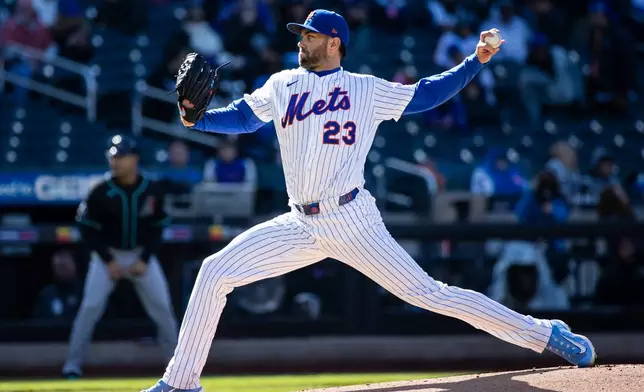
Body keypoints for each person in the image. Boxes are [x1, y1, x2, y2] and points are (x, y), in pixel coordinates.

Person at [144, 10, 596, 392]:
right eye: (300, 34)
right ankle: (181, 382)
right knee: (214, 271)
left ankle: (545, 333)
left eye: (310, 34)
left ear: (335, 42)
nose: (301, 39)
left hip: (352, 219)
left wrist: (474, 61)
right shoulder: (282, 84)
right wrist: (197, 121)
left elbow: (427, 94)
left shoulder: (364, 88)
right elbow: (242, 119)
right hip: (299, 222)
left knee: (429, 294)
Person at [62, 134, 178, 379]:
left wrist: (144, 259)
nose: (116, 162)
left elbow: (158, 229)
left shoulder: (151, 189)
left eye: (122, 157)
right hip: (108, 257)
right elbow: (87, 231)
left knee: (163, 309)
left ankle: (180, 368)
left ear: (135, 159)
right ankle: (72, 365)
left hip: (140, 255)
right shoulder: (100, 191)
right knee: (90, 307)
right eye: (113, 157)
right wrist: (108, 260)